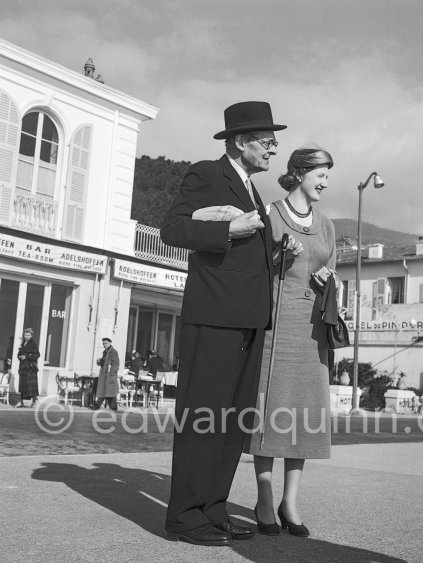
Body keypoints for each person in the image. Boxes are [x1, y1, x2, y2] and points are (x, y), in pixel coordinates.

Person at [160, 101, 288, 547]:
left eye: (275, 142)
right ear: (240, 141)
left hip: (249, 319)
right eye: (267, 141)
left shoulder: (252, 189)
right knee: (203, 416)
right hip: (213, 315)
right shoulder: (207, 174)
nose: (274, 149)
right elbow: (172, 229)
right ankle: (184, 517)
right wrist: (226, 232)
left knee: (233, 420)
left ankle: (213, 509)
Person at [244, 143, 337, 538]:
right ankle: (264, 499)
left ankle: (290, 502)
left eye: (328, 177)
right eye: (320, 175)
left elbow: (333, 273)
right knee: (270, 412)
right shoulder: (270, 214)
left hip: (312, 332)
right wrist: (278, 260)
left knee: (303, 416)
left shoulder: (329, 225)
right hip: (275, 329)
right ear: (299, 172)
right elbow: (252, 270)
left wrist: (329, 280)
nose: (325, 183)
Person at [91, 337, 119, 411]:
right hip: (104, 375)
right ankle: (112, 407)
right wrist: (99, 361)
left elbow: (116, 364)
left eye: (105, 343)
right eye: (103, 343)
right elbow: (104, 362)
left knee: (109, 392)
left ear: (110, 343)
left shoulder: (113, 352)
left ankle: (97, 405)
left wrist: (111, 373)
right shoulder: (105, 352)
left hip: (109, 376)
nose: (104, 345)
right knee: (106, 391)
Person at [14, 328, 40, 408]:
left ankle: (34, 401)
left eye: (28, 335)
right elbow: (19, 354)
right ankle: (21, 402)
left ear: (31, 335)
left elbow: (37, 355)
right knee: (23, 385)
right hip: (23, 367)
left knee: (31, 387)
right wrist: (20, 357)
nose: (27, 336)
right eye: (25, 335)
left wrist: (27, 356)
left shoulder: (33, 344)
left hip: (30, 368)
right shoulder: (23, 343)